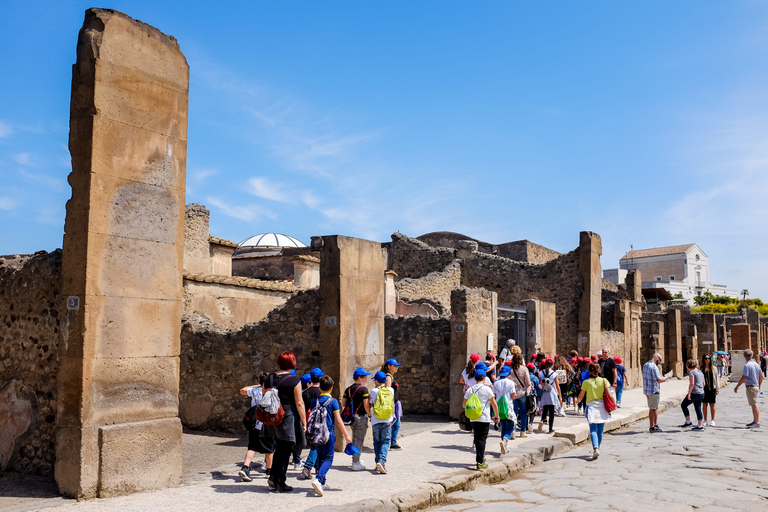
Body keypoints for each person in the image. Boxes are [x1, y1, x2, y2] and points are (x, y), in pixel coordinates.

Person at [260, 352, 306, 493]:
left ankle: (274, 476)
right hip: (286, 417)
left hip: (271, 416)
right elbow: (299, 403)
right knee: (285, 448)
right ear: (292, 363)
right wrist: (304, 422)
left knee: (279, 447)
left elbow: (264, 396)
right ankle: (279, 482)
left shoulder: (269, 378)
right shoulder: (294, 381)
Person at [308, 375, 353, 497]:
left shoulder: (314, 401)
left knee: (321, 457)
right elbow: (338, 420)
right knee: (328, 459)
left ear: (320, 388)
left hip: (317, 433)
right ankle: (318, 479)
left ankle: (322, 483)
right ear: (331, 389)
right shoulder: (333, 402)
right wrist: (347, 436)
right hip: (328, 433)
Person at [238, 372, 274, 482]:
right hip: (267, 424)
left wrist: (257, 385)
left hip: (255, 423)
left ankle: (245, 467)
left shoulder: (255, 391)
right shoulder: (273, 392)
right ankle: (269, 470)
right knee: (269, 448)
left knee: (252, 447)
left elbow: (242, 390)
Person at [463, 368, 500, 470]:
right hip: (484, 418)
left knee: (477, 438)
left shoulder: (470, 390)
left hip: (473, 418)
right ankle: (480, 462)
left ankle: (481, 457)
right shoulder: (487, 389)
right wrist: (496, 415)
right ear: (484, 378)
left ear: (475, 378)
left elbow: (464, 404)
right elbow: (494, 404)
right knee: (482, 439)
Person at [577, 362, 611, 459]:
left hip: (591, 407)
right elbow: (610, 395)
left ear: (589, 371)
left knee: (593, 429)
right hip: (602, 407)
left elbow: (581, 395)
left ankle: (595, 448)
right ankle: (597, 448)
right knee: (600, 430)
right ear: (599, 370)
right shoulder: (604, 381)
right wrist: (613, 404)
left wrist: (578, 401)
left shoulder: (586, 382)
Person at [340, 368, 372, 471]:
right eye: (364, 377)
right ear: (359, 378)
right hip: (361, 416)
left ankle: (355, 458)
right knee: (359, 439)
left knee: (354, 437)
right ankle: (356, 462)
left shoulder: (348, 389)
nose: (366, 379)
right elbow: (366, 405)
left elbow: (343, 404)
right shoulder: (364, 390)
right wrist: (370, 415)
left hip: (351, 417)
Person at [298, 367, 324, 472]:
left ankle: (317, 467)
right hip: (320, 422)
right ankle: (308, 466)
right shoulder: (322, 393)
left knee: (316, 443)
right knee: (317, 445)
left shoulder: (305, 393)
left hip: (308, 421)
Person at [370, 371, 394, 474]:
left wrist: (370, 415)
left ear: (376, 381)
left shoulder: (373, 391)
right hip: (387, 419)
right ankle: (382, 461)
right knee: (385, 441)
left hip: (375, 419)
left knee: (377, 442)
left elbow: (370, 404)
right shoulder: (391, 390)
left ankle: (377, 463)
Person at [643, 352, 673, 433]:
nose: (659, 362)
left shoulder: (645, 365)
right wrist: (667, 377)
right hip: (654, 390)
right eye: (659, 360)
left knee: (651, 408)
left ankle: (652, 425)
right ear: (656, 358)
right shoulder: (654, 367)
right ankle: (654, 426)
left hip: (647, 390)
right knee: (654, 408)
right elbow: (658, 380)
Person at [734, 349, 763, 428]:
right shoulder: (756, 364)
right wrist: (759, 385)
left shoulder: (747, 365)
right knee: (753, 404)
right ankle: (755, 421)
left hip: (751, 386)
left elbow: (744, 377)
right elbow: (761, 376)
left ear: (744, 356)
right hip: (755, 386)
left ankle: (756, 422)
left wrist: (737, 386)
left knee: (754, 405)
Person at [492, 365, 517, 454]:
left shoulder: (496, 383)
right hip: (508, 407)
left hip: (499, 408)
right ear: (509, 374)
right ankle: (505, 441)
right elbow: (513, 396)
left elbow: (494, 396)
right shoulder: (511, 383)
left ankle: (504, 446)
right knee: (510, 427)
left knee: (503, 426)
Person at [537, 357, 562, 433]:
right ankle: (550, 428)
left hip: (544, 393)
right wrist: (560, 396)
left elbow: (539, 383)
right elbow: (557, 386)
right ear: (552, 364)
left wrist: (539, 394)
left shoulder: (541, 373)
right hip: (551, 393)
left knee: (545, 408)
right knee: (551, 412)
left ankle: (542, 419)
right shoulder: (554, 374)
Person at [382, 358, 403, 449]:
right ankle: (390, 442)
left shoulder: (390, 376)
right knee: (393, 423)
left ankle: (392, 442)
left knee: (396, 423)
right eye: (395, 366)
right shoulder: (388, 377)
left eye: (397, 366)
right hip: (392, 404)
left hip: (395, 403)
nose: (397, 368)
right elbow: (388, 392)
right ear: (389, 366)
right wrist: (390, 406)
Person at [679, 359, 705, 430]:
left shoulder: (692, 373)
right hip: (701, 392)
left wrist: (689, 393)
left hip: (694, 393)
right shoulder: (700, 372)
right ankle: (700, 425)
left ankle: (688, 422)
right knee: (698, 408)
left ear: (687, 366)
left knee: (683, 405)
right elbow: (704, 384)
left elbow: (692, 383)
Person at [510, 353, 531, 438]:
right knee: (523, 412)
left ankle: (513, 431)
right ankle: (523, 431)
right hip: (522, 393)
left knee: (513, 412)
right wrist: (528, 392)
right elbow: (528, 383)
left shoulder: (510, 370)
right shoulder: (524, 369)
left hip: (513, 393)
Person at [701, 353, 719, 426]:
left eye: (708, 358)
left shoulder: (713, 368)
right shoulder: (701, 368)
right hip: (704, 389)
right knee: (704, 404)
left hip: (712, 388)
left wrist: (717, 389)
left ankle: (713, 420)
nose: (707, 360)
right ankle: (705, 420)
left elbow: (716, 379)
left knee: (712, 404)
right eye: (706, 358)